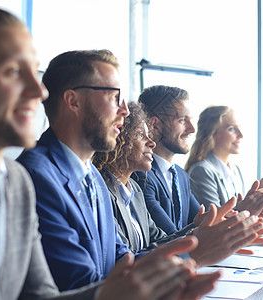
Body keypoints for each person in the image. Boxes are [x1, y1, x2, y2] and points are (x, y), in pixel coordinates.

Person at [0, 5, 220, 300]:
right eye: (14, 71)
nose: (40, 91)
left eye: (35, 71)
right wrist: (192, 253)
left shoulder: (14, 181)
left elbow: (41, 296)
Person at [16, 49, 222, 296]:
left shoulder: (93, 176)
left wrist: (196, 245)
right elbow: (83, 284)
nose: (125, 110)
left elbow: (122, 261)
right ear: (73, 101)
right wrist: (194, 252)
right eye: (115, 97)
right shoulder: (35, 177)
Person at [92, 101, 263, 263]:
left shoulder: (135, 189)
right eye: (140, 134)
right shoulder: (102, 192)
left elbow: (159, 241)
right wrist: (198, 242)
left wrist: (196, 228)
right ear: (118, 140)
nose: (151, 143)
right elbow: (124, 261)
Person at [135, 85, 263, 234]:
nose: (192, 129)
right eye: (182, 120)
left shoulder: (180, 175)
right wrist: (243, 211)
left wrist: (250, 211)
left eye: (190, 120)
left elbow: (207, 223)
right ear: (155, 125)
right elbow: (170, 238)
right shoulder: (141, 176)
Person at [185, 105, 263, 225]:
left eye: (239, 128)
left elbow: (255, 223)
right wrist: (254, 200)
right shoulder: (201, 171)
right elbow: (213, 225)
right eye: (232, 129)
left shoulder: (235, 170)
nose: (241, 135)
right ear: (212, 133)